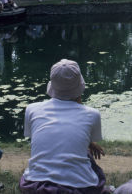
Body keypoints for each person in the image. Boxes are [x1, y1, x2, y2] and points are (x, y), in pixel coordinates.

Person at [20, 59, 109, 194]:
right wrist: (89, 143)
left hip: (35, 184)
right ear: (79, 86)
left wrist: (89, 142)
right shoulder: (92, 114)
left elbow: (49, 137)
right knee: (88, 159)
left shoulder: (31, 109)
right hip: (81, 187)